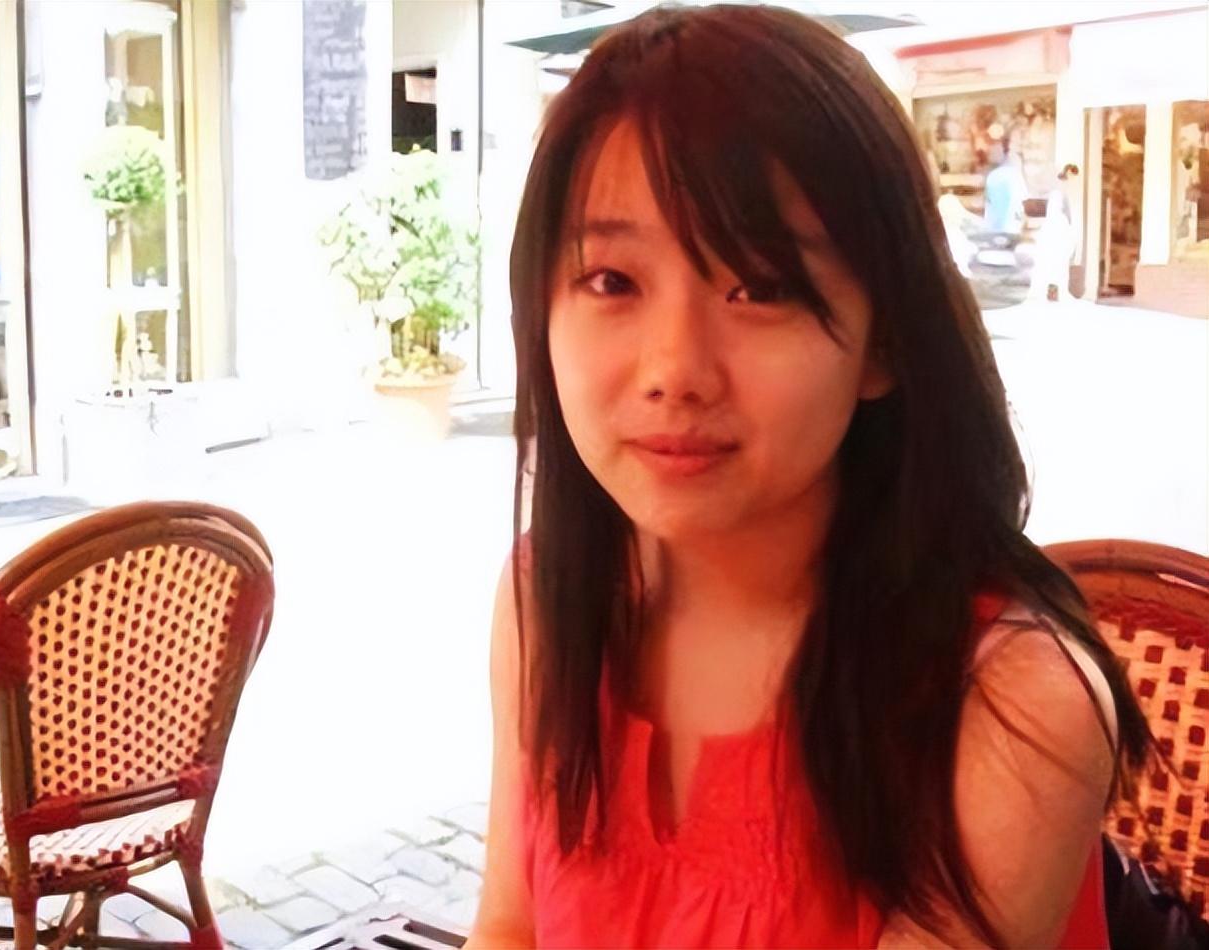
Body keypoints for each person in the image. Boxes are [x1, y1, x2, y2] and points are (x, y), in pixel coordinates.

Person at [468, 6, 1151, 948]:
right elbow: (509, 927)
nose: (674, 370)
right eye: (612, 281)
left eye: (760, 287)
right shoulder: (547, 596)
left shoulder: (1011, 706)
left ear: (884, 342)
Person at [1031, 163, 1081, 302]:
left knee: (1055, 264)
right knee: (1057, 264)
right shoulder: (1060, 191)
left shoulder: (1060, 190)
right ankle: (1054, 293)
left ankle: (1053, 293)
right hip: (1057, 230)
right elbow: (1059, 212)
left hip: (1056, 229)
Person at [983, 145, 1029, 238]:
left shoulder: (992, 175)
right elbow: (1021, 201)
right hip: (1010, 228)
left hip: (992, 228)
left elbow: (987, 200)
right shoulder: (1016, 176)